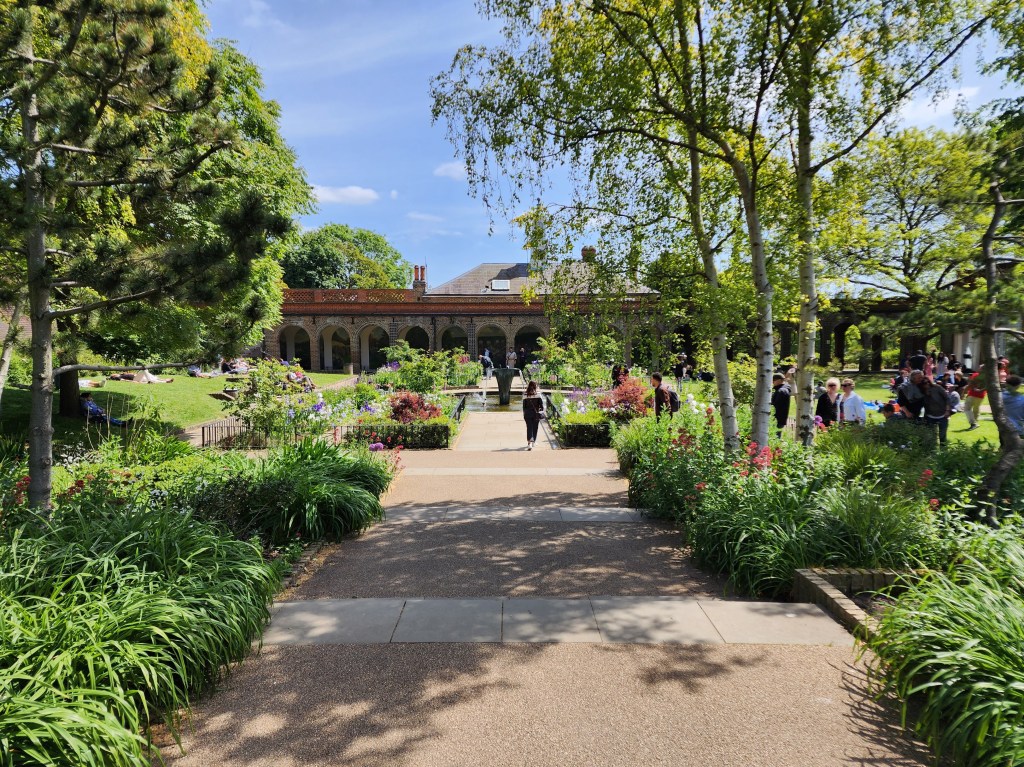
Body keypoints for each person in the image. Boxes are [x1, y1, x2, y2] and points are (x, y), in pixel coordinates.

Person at [921, 376, 951, 445]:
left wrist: (947, 410)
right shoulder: (921, 391)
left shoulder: (937, 387)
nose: (927, 384)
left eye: (928, 382)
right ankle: (933, 452)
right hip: (930, 416)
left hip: (942, 415)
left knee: (942, 435)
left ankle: (943, 452)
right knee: (931, 436)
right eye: (924, 383)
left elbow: (947, 398)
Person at [522, 380, 545, 450]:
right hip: (536, 413)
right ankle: (533, 441)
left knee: (529, 427)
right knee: (535, 427)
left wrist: (524, 413)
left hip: (527, 413)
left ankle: (529, 443)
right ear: (535, 386)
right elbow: (541, 406)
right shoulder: (538, 394)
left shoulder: (525, 394)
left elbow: (524, 406)